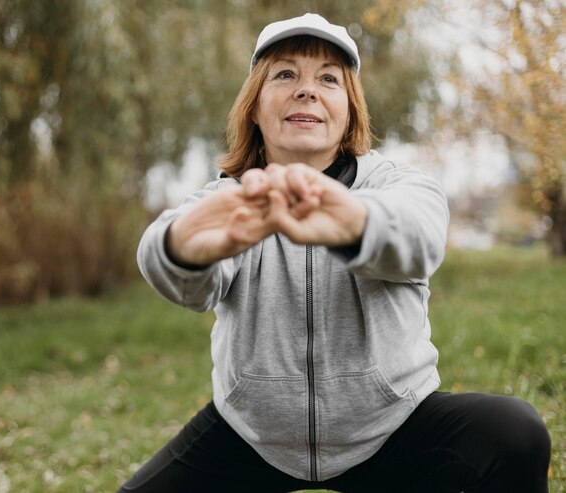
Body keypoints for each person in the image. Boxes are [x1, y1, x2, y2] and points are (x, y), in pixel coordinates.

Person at [119, 13, 551, 493]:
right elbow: (166, 253)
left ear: (348, 111)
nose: (307, 90)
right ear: (255, 109)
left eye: (328, 79)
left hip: (393, 430)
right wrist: (182, 249)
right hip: (252, 436)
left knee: (514, 431)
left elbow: (418, 240)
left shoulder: (399, 185)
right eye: (285, 74)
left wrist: (350, 221)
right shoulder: (234, 198)